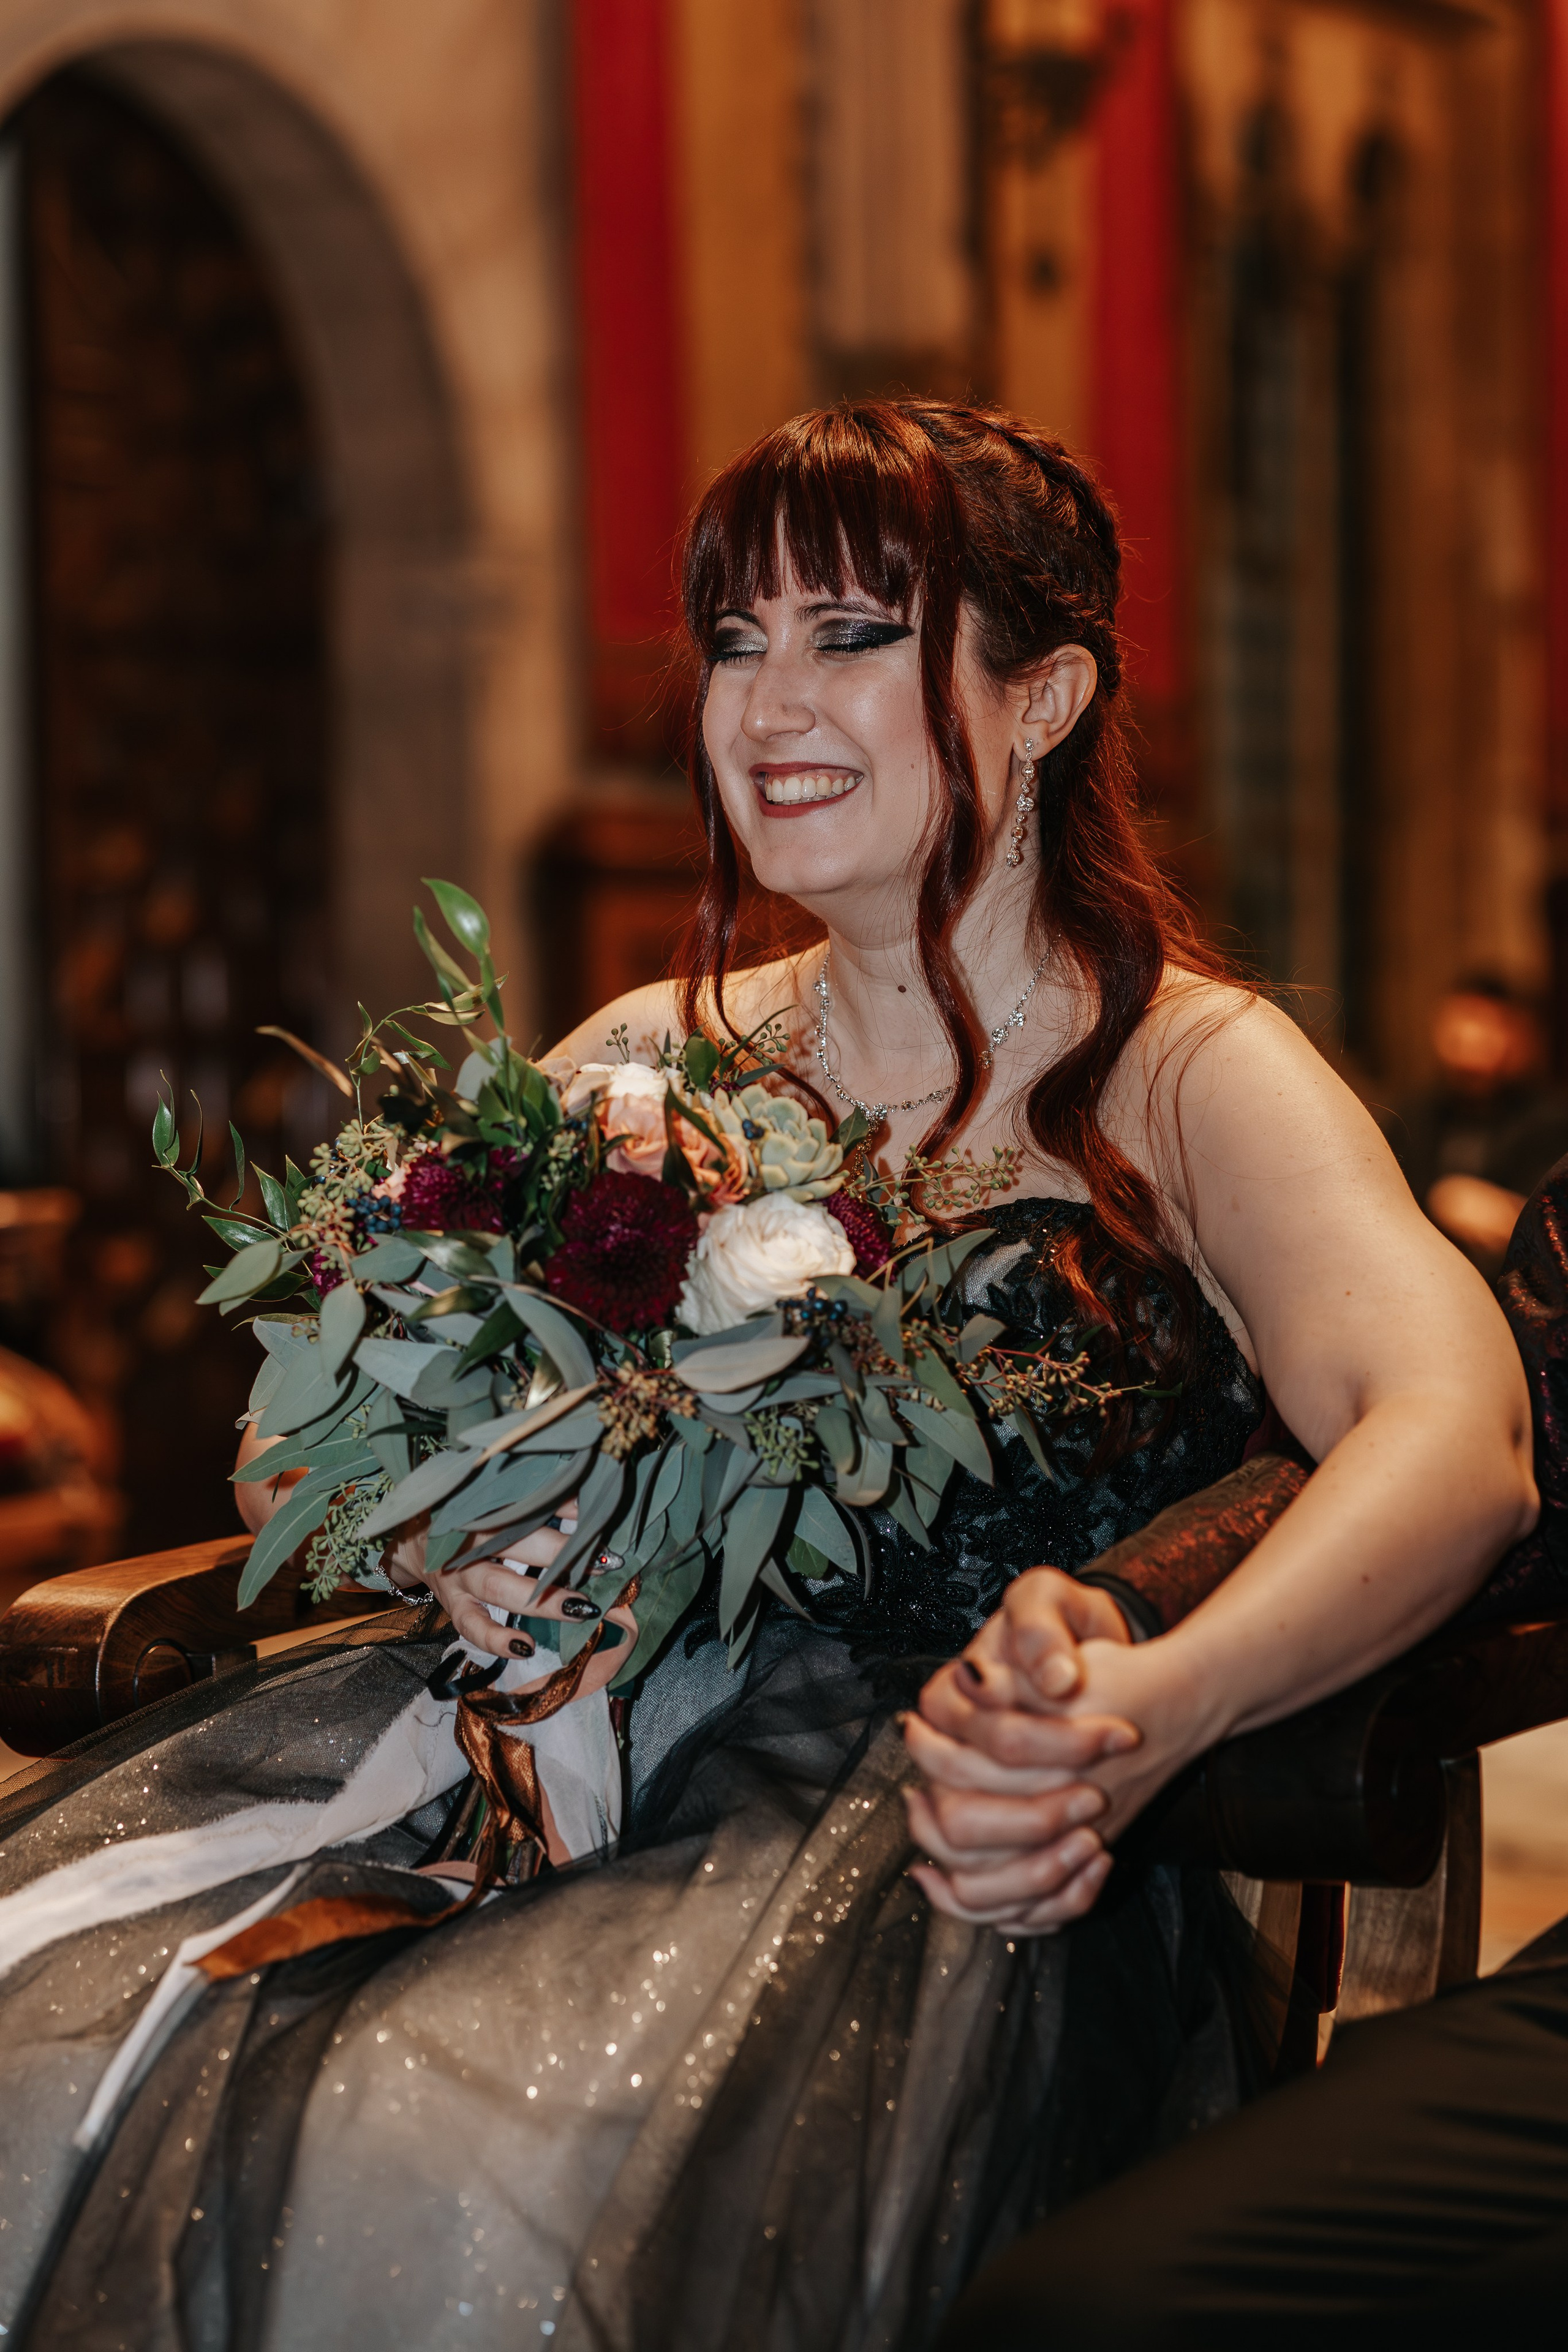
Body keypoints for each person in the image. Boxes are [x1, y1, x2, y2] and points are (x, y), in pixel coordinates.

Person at [0, 401, 1534, 2351]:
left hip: (916, 1869)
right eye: (734, 640)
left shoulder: (1185, 1070)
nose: (766, 701)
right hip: (540, 1780)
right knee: (58, 2045)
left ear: (1042, 693)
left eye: (851, 634)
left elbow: (1455, 1438)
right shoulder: (654, 1051)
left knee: (441, 2137)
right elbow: (293, 1437)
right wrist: (438, 1533)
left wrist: (1147, 1709)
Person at [1382, 973, 1568, 1278]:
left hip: (1507, 1288)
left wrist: (1499, 1209)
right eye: (1464, 1019)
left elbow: (1550, 1224)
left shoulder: (1549, 1120)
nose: (1472, 1035)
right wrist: (1443, 1196)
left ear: (1518, 1035)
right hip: (1414, 1277)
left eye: (1490, 1023)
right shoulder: (1412, 1115)